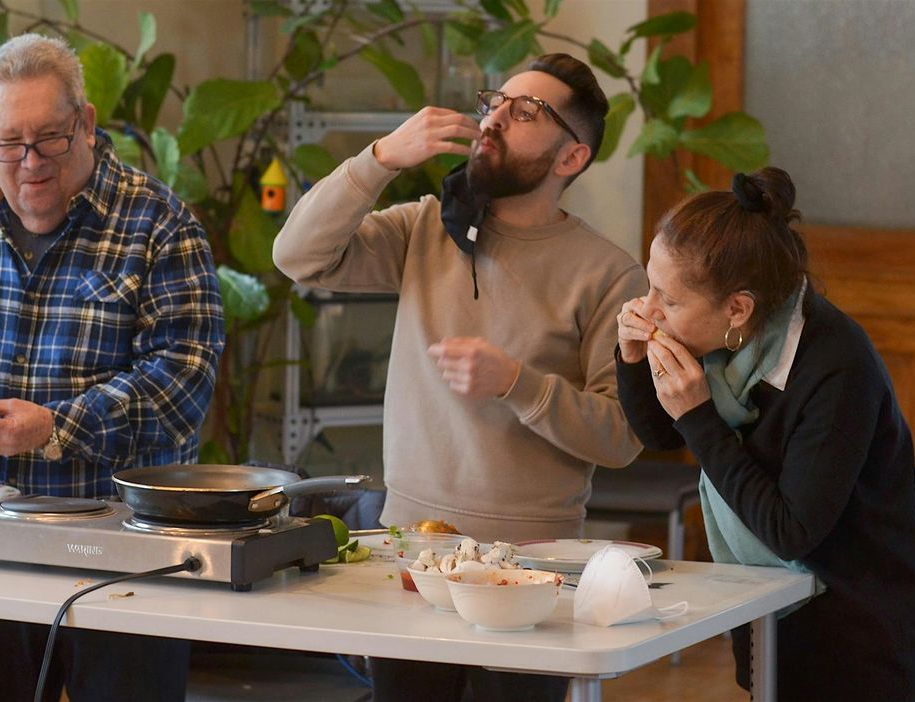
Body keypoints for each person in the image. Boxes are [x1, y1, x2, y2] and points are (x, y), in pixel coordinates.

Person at [0, 34, 224, 702]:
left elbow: (184, 382)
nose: (28, 163)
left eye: (50, 138)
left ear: (85, 123)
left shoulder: (160, 226)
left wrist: (58, 428)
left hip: (126, 556)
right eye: (8, 143)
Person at [274, 53, 646, 702]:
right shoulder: (426, 227)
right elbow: (298, 256)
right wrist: (380, 160)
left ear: (571, 159)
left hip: (535, 564)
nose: (494, 118)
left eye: (525, 112)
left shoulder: (610, 274)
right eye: (494, 101)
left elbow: (621, 437)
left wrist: (516, 383)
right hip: (411, 549)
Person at [615, 167, 915, 700]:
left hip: (857, 637)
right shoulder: (727, 339)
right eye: (649, 286)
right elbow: (665, 437)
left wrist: (699, 417)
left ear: (737, 307)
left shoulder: (837, 367)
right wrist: (631, 361)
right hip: (771, 616)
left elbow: (790, 531)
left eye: (666, 300)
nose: (648, 310)